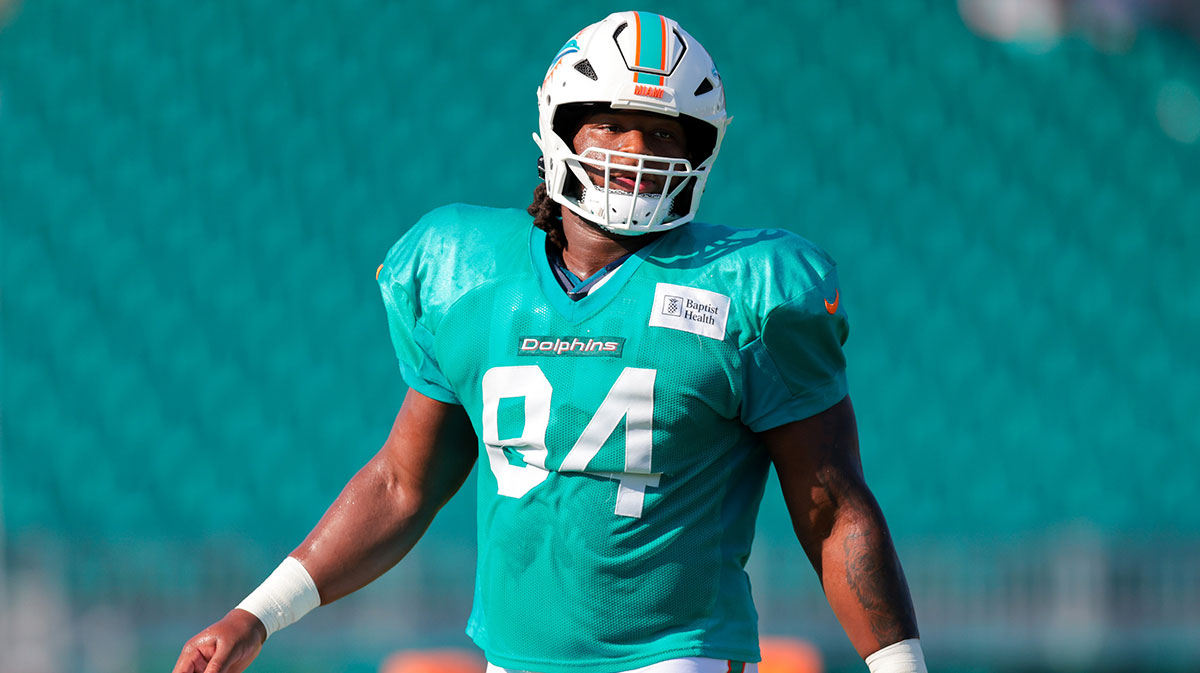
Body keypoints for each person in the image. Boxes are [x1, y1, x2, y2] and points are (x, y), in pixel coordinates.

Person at [171, 11, 926, 673]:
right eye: (613, 123)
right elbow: (402, 485)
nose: (637, 150)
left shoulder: (748, 288)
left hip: (675, 655)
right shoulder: (468, 273)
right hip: (511, 660)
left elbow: (830, 506)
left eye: (665, 131)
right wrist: (256, 615)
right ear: (560, 127)